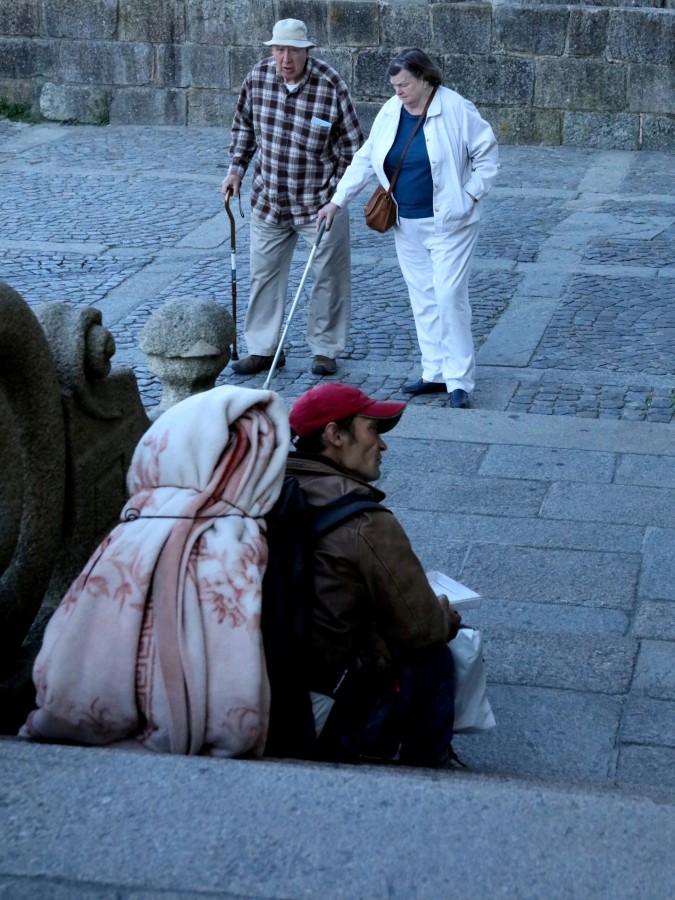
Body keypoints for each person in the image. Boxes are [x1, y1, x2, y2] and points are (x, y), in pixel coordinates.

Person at [286, 382, 462, 767]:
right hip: (319, 715)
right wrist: (444, 614)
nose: (382, 445)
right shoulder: (366, 523)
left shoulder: (271, 490)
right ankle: (428, 770)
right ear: (335, 434)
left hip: (263, 691)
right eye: (373, 430)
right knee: (434, 659)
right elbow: (423, 629)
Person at [317, 48, 499, 408]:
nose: (398, 91)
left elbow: (488, 156)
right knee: (423, 298)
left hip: (451, 223)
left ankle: (459, 380)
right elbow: (367, 158)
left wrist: (469, 196)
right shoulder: (391, 111)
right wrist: (338, 200)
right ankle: (434, 371)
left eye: (404, 84)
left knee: (448, 296)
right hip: (405, 221)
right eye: (394, 85)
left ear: (425, 79)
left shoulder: (456, 108)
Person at [222, 19, 363, 378]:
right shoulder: (257, 78)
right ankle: (263, 349)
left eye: (293, 51)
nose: (285, 58)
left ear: (307, 52)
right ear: (271, 50)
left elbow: (353, 148)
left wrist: (337, 196)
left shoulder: (330, 84)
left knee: (328, 276)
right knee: (263, 275)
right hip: (269, 198)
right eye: (279, 50)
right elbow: (244, 127)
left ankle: (324, 349)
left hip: (318, 202)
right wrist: (236, 168)